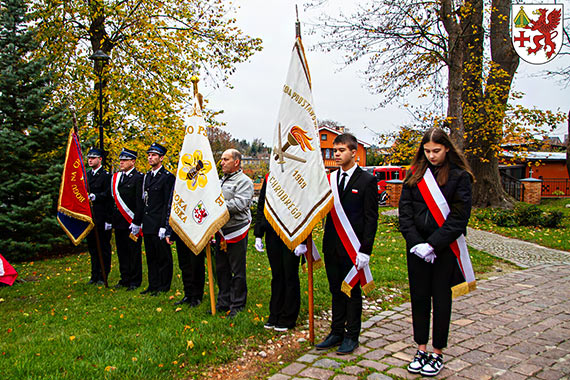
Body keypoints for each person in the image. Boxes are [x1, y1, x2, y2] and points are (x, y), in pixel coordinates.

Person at [399, 127, 474, 377]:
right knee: (419, 299)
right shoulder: (414, 174)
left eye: (437, 151)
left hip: (444, 250)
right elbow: (405, 213)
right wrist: (417, 244)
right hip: (417, 250)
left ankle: (437, 351)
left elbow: (459, 217)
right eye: (427, 151)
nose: (431, 156)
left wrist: (433, 245)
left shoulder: (460, 176)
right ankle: (420, 348)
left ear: (447, 149)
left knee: (441, 301)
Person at [316, 133, 378, 355]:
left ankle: (352, 335)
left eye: (341, 150)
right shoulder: (330, 178)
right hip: (332, 245)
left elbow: (371, 218)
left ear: (354, 152)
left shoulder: (367, 180)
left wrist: (366, 250)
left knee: (351, 291)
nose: (337, 154)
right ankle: (336, 332)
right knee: (335, 290)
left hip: (354, 248)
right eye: (335, 151)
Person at [254, 174, 303, 332]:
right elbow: (262, 205)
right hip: (272, 232)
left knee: (290, 274)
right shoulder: (269, 177)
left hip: (291, 232)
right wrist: (258, 234)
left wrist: (302, 239)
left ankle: (288, 316)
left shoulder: (296, 176)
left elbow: (303, 205)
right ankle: (274, 313)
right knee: (277, 275)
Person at [215, 148, 253, 317]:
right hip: (221, 230)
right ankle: (223, 302)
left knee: (237, 270)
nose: (221, 162)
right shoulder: (220, 181)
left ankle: (237, 304)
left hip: (236, 230)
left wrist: (217, 206)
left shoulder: (245, 181)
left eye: (225, 159)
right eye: (222, 159)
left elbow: (240, 204)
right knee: (221, 268)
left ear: (236, 162)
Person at [140, 142, 175, 296]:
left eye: (154, 155)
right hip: (148, 223)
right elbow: (145, 201)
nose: (150, 158)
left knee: (163, 257)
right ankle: (153, 284)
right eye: (149, 155)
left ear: (161, 158)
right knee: (151, 256)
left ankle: (164, 285)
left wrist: (164, 226)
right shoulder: (147, 176)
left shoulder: (167, 177)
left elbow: (168, 202)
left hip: (159, 223)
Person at [164, 188, 206, 307]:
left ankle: (197, 296)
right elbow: (172, 206)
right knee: (184, 264)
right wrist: (169, 230)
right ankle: (188, 293)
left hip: (196, 227)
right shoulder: (179, 182)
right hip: (181, 227)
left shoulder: (201, 180)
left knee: (196, 263)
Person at [111, 148, 144, 291]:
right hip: (119, 221)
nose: (121, 162)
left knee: (133, 252)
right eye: (121, 160)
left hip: (131, 222)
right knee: (122, 251)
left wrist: (136, 222)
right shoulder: (117, 177)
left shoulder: (138, 178)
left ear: (133, 161)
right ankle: (125, 278)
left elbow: (139, 202)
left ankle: (135, 281)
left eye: (125, 160)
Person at [85, 148, 113, 285]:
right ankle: (94, 274)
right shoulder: (87, 175)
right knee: (93, 248)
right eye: (89, 158)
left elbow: (109, 196)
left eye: (93, 158)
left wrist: (109, 219)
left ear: (100, 159)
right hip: (90, 217)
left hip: (102, 216)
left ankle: (103, 274)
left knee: (103, 247)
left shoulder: (106, 176)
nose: (90, 160)